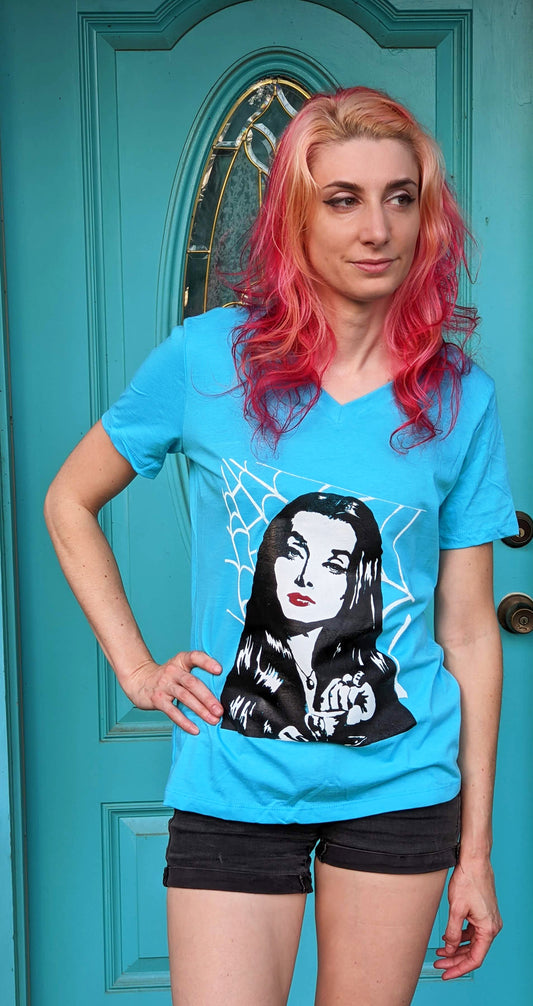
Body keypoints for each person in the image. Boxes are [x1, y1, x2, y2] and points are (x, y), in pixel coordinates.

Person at [45, 86, 518, 1006]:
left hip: (400, 789)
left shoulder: (461, 397)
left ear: (426, 218)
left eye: (400, 197)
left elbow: (467, 635)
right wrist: (136, 669)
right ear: (295, 217)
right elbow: (70, 500)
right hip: (232, 783)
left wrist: (475, 856)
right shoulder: (205, 359)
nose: (376, 228)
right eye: (342, 199)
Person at [221, 491, 416, 744]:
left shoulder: (372, 680)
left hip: (404, 763)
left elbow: (463, 638)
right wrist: (161, 669)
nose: (304, 578)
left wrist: (360, 721)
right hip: (230, 763)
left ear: (358, 585)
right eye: (294, 552)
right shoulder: (244, 672)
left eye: (334, 565)